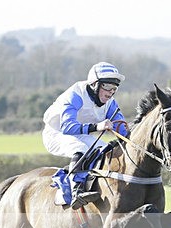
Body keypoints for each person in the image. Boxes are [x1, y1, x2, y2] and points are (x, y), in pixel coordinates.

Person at [42, 62, 130, 209]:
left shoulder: (110, 102)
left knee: (108, 150)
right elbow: (68, 127)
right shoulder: (75, 95)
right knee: (81, 148)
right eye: (107, 87)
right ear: (95, 84)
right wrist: (97, 126)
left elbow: (121, 127)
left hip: (80, 134)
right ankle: (76, 190)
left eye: (114, 88)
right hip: (57, 134)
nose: (111, 92)